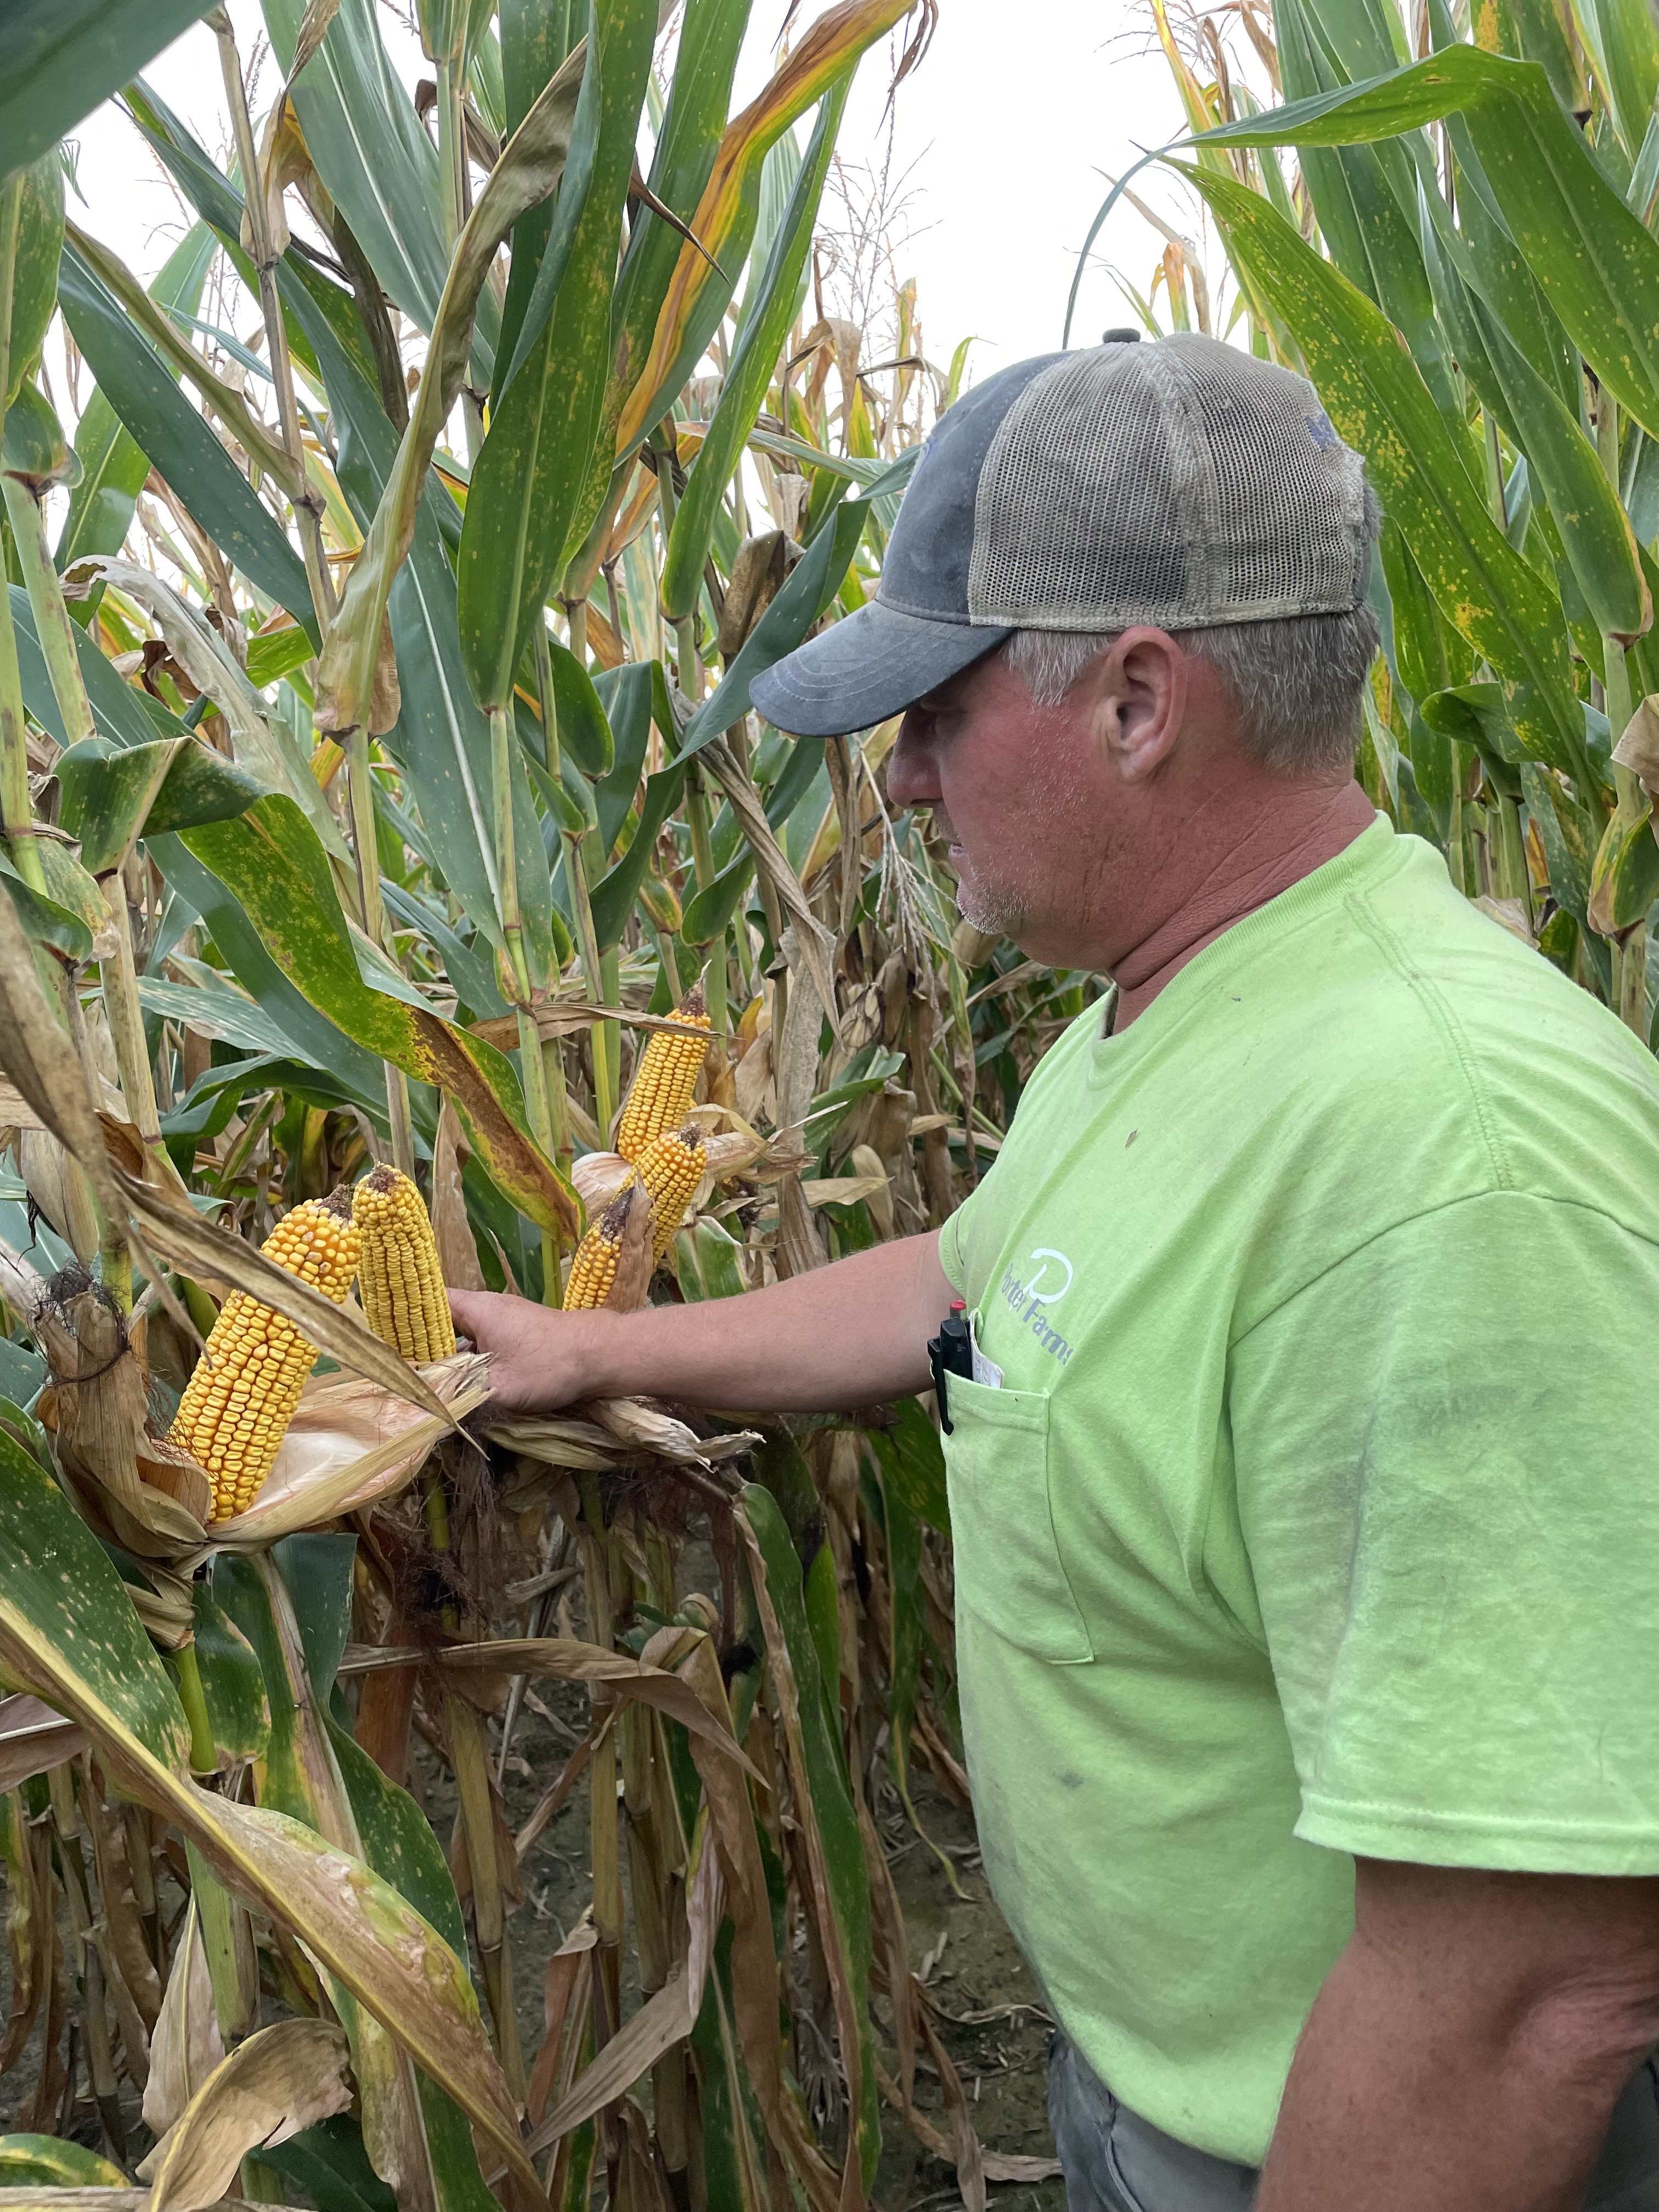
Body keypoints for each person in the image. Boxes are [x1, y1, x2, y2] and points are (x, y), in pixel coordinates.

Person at [452, 332, 1659, 2212]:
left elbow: (1529, 1997)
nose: (908, 787)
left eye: (936, 713)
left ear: (1135, 702)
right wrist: (598, 1345)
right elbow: (990, 1280)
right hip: (1148, 2091)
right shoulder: (1171, 1017)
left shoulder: (1442, 1166)